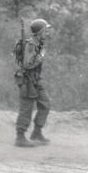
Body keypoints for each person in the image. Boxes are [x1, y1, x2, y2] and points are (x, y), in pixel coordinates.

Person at [14, 18, 52, 147]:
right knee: (26, 108)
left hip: (36, 79)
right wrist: (40, 56)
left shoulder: (39, 43)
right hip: (27, 80)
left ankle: (36, 132)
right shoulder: (31, 44)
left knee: (45, 104)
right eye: (45, 30)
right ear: (40, 32)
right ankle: (20, 137)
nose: (47, 33)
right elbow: (27, 64)